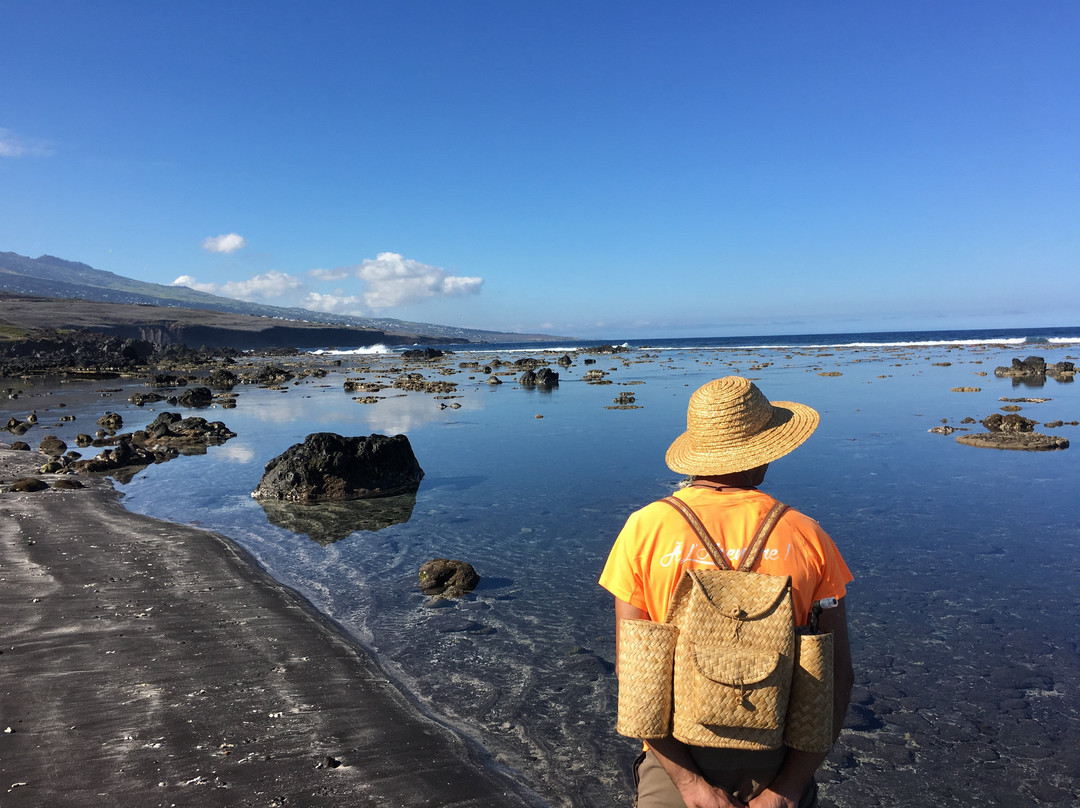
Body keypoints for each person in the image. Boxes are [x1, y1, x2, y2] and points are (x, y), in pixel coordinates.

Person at [599, 376, 854, 808]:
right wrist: (787, 789)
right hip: (775, 762)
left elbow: (634, 676)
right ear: (764, 452)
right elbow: (836, 677)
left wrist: (691, 786)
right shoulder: (806, 535)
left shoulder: (645, 529)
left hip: (675, 764)